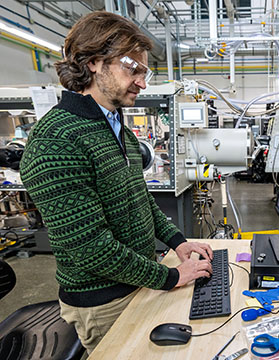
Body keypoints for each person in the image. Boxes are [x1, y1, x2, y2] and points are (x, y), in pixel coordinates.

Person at [19, 11, 213, 354]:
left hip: (136, 282)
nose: (142, 82)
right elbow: (91, 249)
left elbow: (140, 198)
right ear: (93, 62)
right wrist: (171, 277)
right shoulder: (57, 140)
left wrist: (177, 242)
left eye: (144, 71)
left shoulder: (115, 126)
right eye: (131, 68)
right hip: (102, 302)